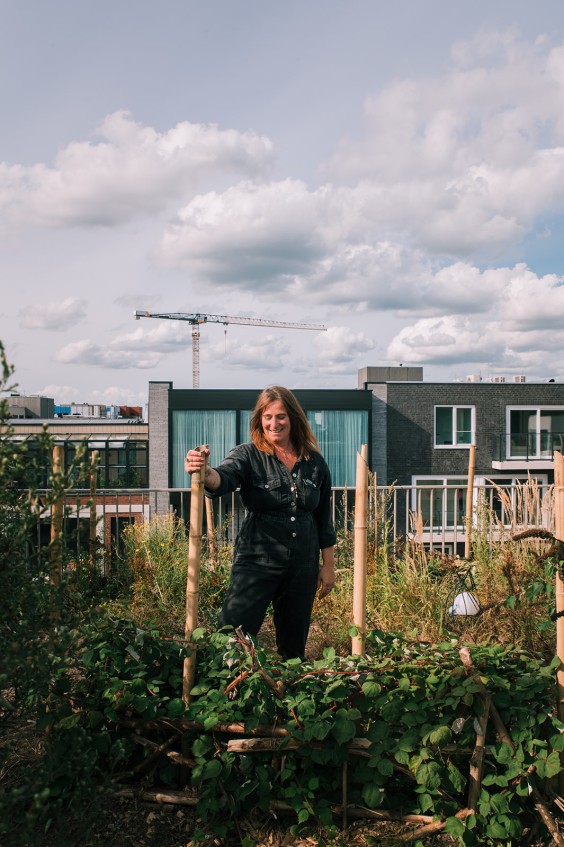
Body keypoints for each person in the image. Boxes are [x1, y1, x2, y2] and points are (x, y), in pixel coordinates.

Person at [184, 385, 336, 660]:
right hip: (257, 559)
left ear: (293, 418)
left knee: (294, 643)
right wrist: (205, 472)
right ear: (259, 420)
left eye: (280, 416)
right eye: (268, 417)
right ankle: (224, 690)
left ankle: (289, 695)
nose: (274, 423)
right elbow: (224, 478)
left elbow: (323, 518)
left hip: (303, 564)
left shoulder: (314, 462)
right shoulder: (248, 455)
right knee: (234, 632)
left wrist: (328, 567)